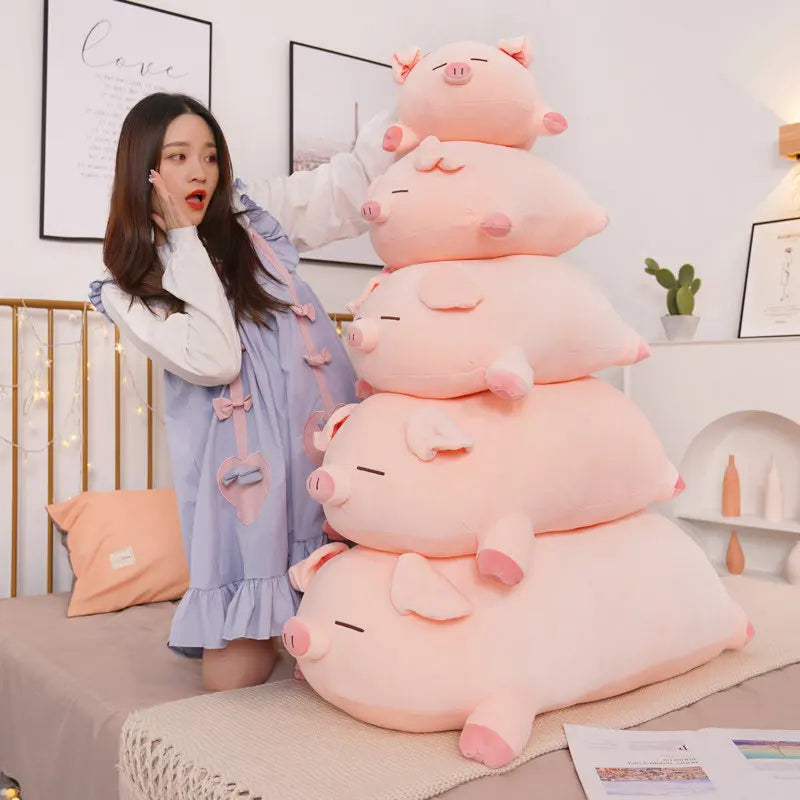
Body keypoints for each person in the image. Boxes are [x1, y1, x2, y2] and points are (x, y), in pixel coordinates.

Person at [90, 92, 393, 691]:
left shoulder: (259, 220)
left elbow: (347, 188)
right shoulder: (130, 289)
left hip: (322, 461)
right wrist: (180, 238)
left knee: (359, 655)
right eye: (176, 157)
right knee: (237, 693)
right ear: (142, 170)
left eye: (208, 155)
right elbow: (216, 357)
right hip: (248, 491)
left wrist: (412, 107)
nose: (198, 171)